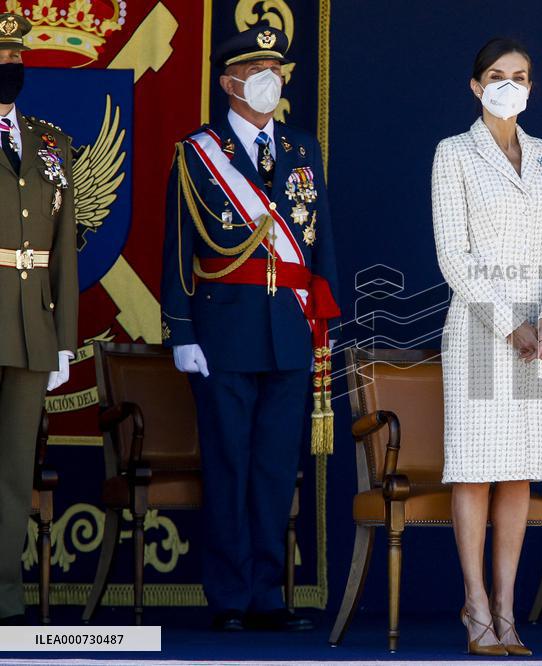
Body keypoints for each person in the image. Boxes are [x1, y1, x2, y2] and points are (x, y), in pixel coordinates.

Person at [160, 25, 340, 632]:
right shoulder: (199, 152)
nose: (271, 78)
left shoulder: (302, 150)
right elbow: (178, 247)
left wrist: (324, 314)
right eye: (257, 68)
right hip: (223, 332)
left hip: (290, 328)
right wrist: (182, 331)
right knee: (229, 464)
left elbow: (323, 242)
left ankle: (268, 593)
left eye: (277, 68)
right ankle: (229, 596)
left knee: (273, 468)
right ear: (228, 81)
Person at [431, 37, 542, 656]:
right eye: (496, 74)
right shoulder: (453, 153)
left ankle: (510, 612)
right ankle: (477, 606)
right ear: (475, 85)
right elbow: (453, 257)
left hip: (536, 340)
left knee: (519, 473)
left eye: (519, 76)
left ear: (532, 87)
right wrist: (507, 322)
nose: (508, 84)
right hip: (478, 334)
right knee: (475, 471)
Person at [0, 13, 77, 626]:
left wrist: (64, 343)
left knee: (12, 470)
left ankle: (5, 594)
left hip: (31, 327)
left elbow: (63, 250)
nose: (9, 68)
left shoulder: (52, 144)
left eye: (14, 57)